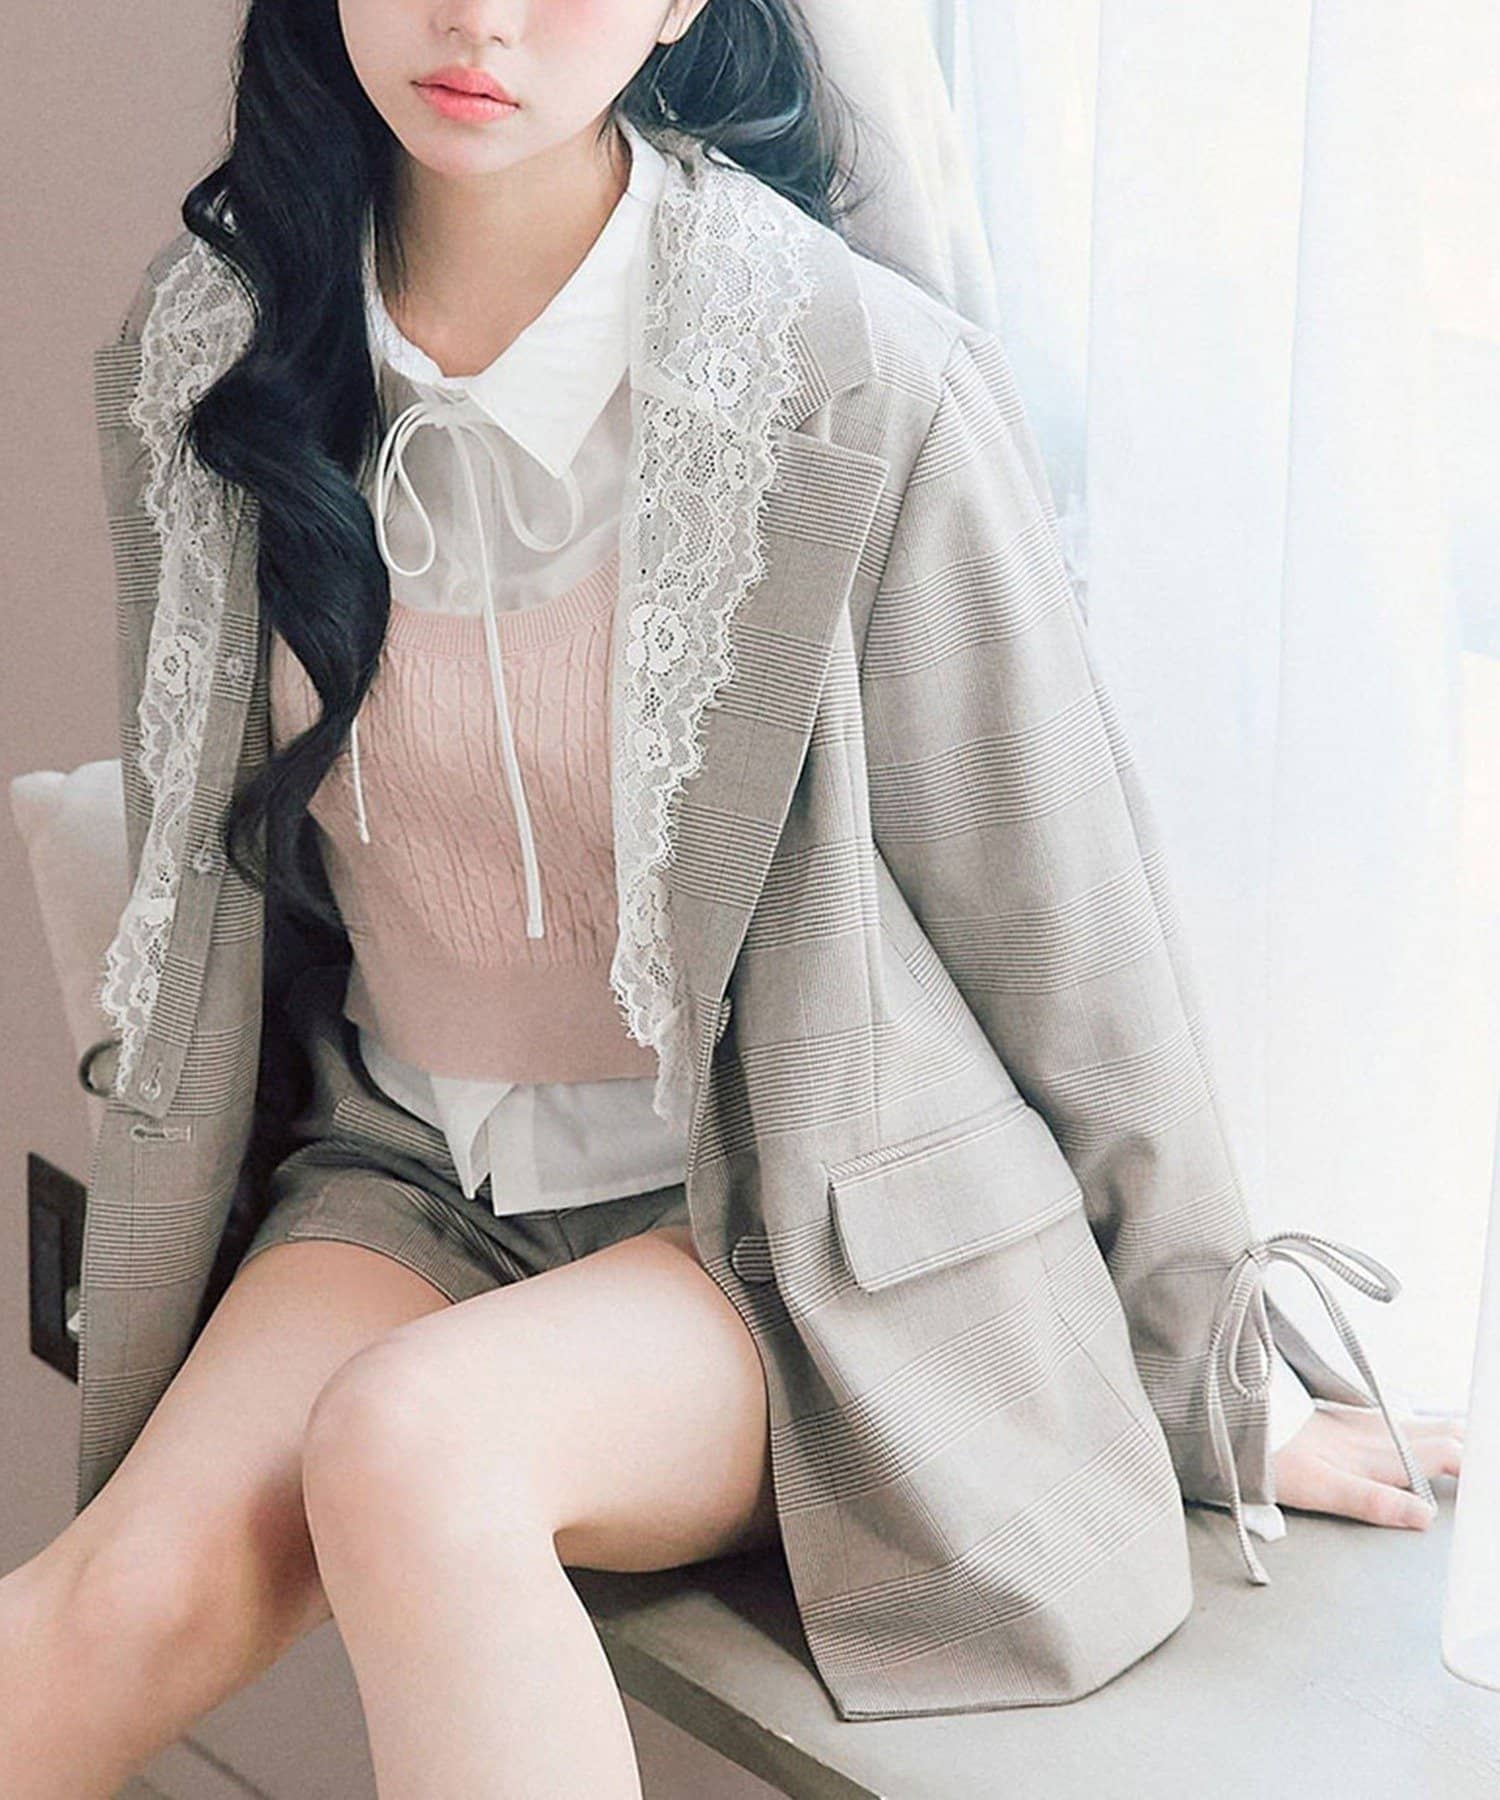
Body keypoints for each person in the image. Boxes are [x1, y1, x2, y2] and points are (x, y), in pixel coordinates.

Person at [1, 0, 1464, 1792]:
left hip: (785, 1225)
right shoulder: (211, 351)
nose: (479, 17)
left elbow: (1066, 930)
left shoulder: (854, 377)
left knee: (416, 1447)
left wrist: (1207, 1374)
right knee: (101, 1612)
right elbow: (217, 889)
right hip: (410, 1174)